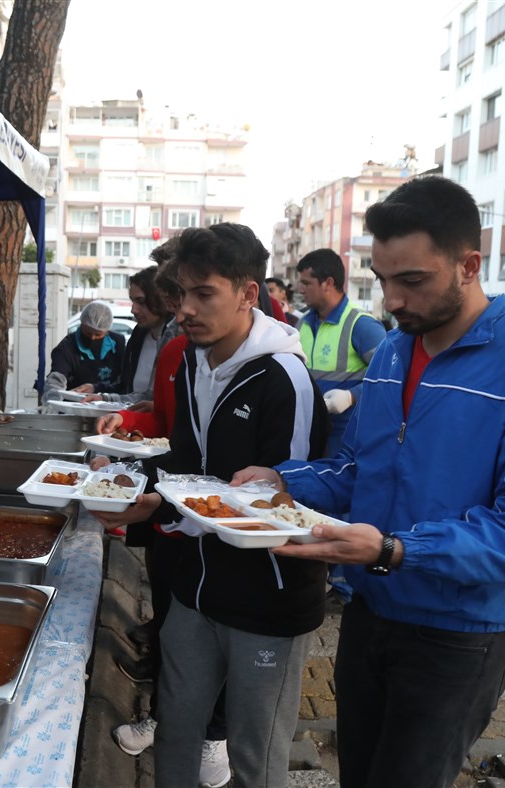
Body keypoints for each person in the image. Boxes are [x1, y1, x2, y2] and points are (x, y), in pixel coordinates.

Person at [235, 176, 505, 788]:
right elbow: (358, 469)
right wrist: (283, 480)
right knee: (361, 771)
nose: (393, 301)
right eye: (383, 281)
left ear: (468, 265)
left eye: (413, 281)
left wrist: (398, 550)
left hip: (459, 632)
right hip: (373, 610)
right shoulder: (394, 355)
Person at [93, 223, 328, 788]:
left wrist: (161, 504)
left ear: (249, 293)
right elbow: (188, 461)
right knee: (176, 727)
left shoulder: (284, 377)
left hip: (267, 597)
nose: (186, 311)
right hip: (195, 587)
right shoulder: (192, 362)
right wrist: (130, 483)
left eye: (205, 295)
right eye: (182, 294)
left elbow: (289, 503)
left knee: (255, 754)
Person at [296, 248, 387, 457]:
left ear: (328, 283)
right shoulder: (303, 324)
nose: (300, 289)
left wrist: (351, 396)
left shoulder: (362, 325)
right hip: (309, 433)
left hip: (345, 439)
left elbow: (389, 379)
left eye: (307, 283)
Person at [87, 266, 177, 405]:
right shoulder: (138, 335)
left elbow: (154, 398)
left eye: (141, 302)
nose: (133, 310)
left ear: (161, 298)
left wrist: (106, 398)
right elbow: (125, 387)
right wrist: (96, 389)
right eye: (132, 301)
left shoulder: (175, 337)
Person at [42, 300, 126, 401]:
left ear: (106, 331)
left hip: (109, 403)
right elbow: (56, 380)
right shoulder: (66, 348)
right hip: (75, 405)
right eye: (88, 333)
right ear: (81, 324)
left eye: (98, 334)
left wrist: (96, 388)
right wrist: (53, 401)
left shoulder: (118, 344)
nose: (93, 338)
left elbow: (124, 380)